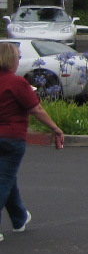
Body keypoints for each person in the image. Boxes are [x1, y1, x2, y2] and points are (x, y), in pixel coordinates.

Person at [0, 41, 66, 241]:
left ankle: (19, 217)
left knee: (7, 177)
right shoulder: (17, 83)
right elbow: (36, 109)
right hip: (12, 137)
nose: (19, 60)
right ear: (11, 59)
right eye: (18, 57)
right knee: (4, 179)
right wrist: (55, 128)